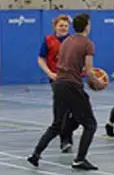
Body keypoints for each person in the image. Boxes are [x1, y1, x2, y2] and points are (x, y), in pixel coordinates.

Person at [27, 13, 105, 170]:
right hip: (72, 86)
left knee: (57, 124)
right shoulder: (88, 43)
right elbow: (89, 70)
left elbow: (68, 64)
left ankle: (35, 155)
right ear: (87, 26)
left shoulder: (67, 41)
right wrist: (97, 81)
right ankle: (79, 159)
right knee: (90, 125)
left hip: (58, 84)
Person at [37, 15, 79, 153]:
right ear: (55, 26)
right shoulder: (48, 40)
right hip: (57, 79)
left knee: (73, 110)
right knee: (63, 108)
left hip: (72, 78)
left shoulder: (73, 40)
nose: (63, 28)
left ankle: (66, 137)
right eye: (61, 25)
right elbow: (41, 58)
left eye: (66, 26)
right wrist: (49, 73)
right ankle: (65, 140)